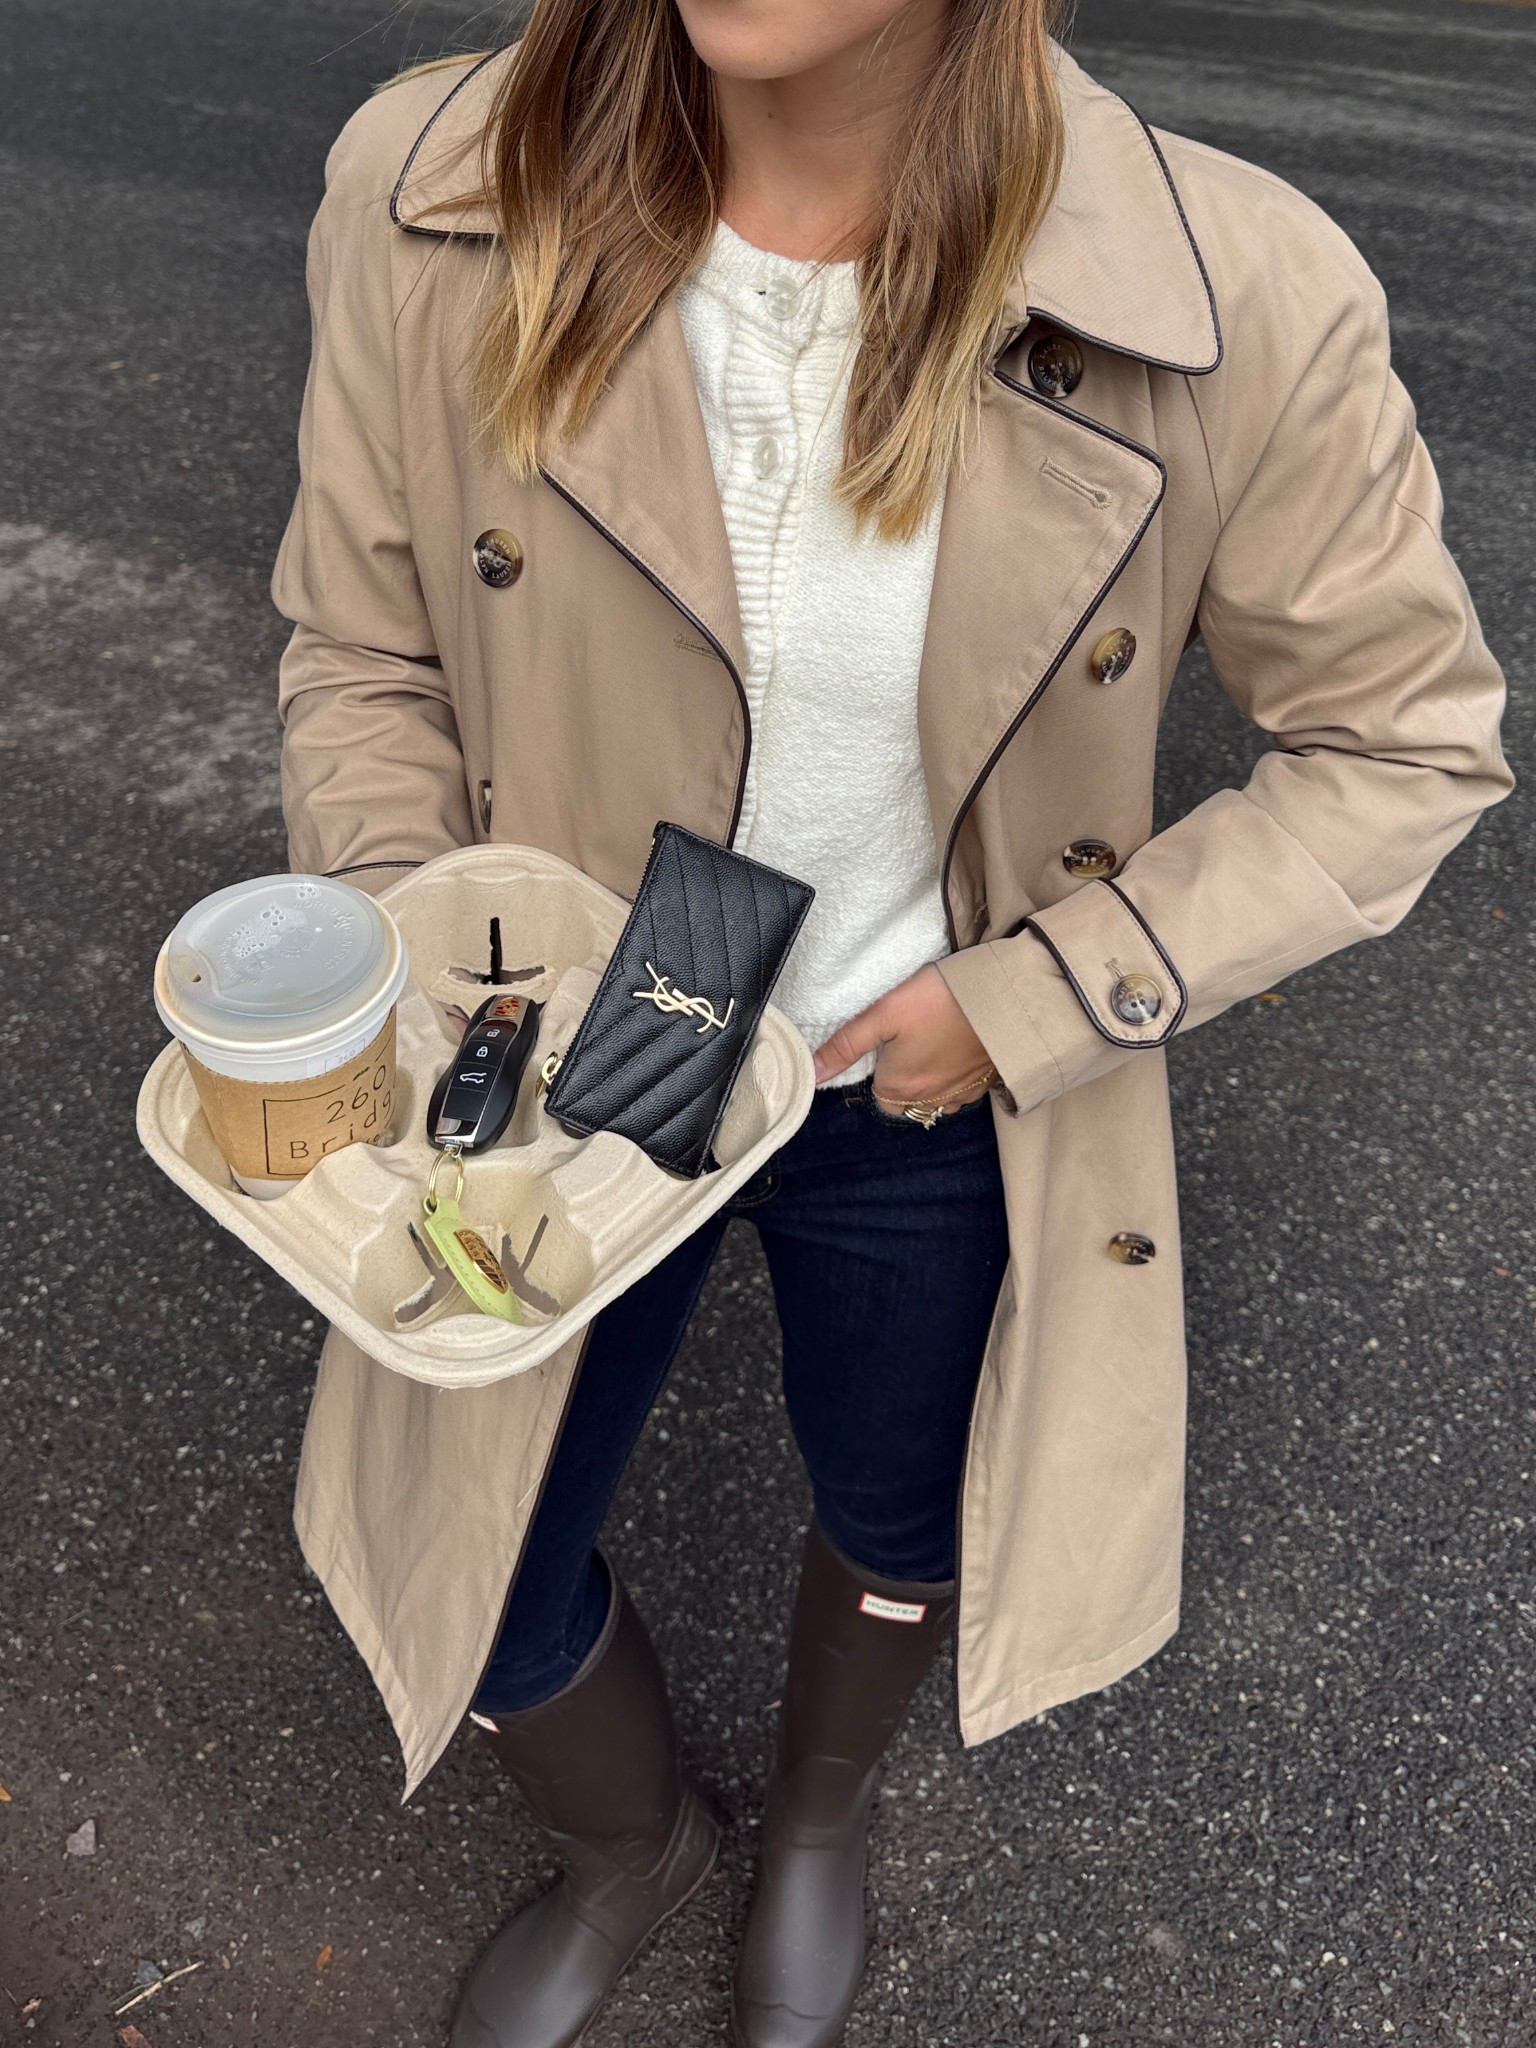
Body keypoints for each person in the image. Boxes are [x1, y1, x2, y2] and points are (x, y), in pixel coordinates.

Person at [271, 2, 1511, 2043]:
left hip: (926, 1056)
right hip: (593, 1031)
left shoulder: (1229, 291)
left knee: (904, 1501)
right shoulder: (438, 190)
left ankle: (820, 1822)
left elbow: (1405, 742)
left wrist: (1040, 999)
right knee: (471, 1545)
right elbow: (363, 638)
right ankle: (630, 1841)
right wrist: (444, 936)